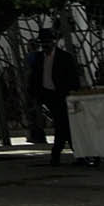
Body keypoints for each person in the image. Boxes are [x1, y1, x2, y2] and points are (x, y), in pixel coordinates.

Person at [29, 28, 82, 164]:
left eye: (48, 42)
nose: (45, 46)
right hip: (48, 95)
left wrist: (72, 91)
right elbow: (35, 78)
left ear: (54, 42)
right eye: (43, 43)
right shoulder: (39, 58)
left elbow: (73, 77)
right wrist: (35, 96)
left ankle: (59, 153)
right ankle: (76, 153)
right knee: (63, 124)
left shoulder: (64, 57)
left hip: (63, 94)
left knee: (63, 124)